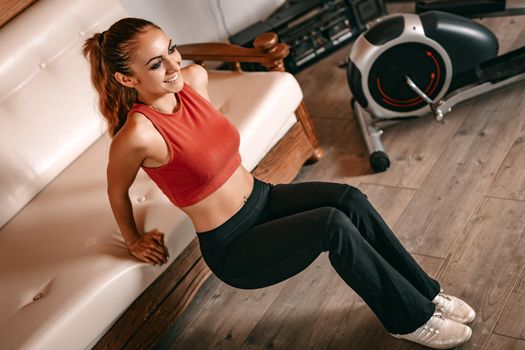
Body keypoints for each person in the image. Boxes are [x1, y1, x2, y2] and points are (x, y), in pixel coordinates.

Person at [83, 17, 476, 349]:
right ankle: (408, 319)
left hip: (263, 198)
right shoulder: (137, 135)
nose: (173, 64)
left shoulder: (194, 80)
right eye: (156, 64)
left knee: (350, 200)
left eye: (171, 49)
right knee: (330, 225)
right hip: (234, 245)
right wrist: (133, 239)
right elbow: (116, 190)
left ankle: (425, 293)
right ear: (125, 78)